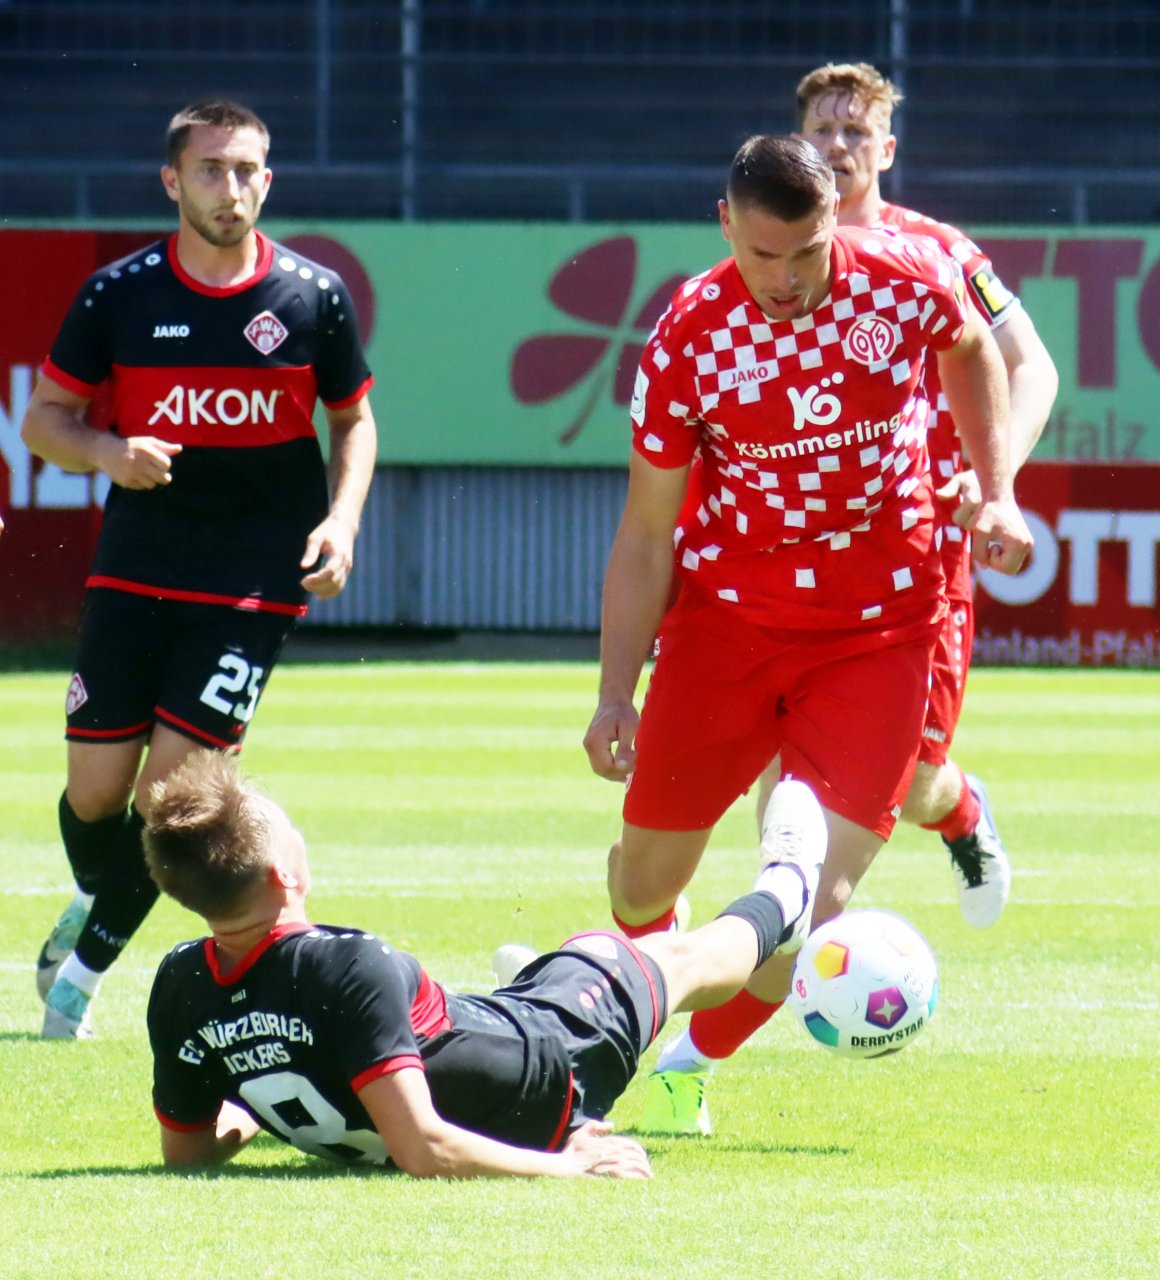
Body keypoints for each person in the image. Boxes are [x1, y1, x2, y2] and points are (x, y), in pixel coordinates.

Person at [582, 134, 1032, 1137]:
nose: (784, 281)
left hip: (880, 628)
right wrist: (615, 690)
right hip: (727, 623)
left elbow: (969, 347)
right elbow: (647, 532)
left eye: (805, 253)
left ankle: (679, 1067)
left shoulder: (906, 275)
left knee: (808, 909)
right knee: (640, 881)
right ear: (724, 227)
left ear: (837, 221)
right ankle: (651, 987)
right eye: (760, 256)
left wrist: (992, 488)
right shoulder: (686, 338)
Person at [21, 100, 377, 1040]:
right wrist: (107, 451)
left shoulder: (311, 296)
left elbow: (354, 421)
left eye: (250, 169)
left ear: (271, 177)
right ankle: (101, 903)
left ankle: (80, 982)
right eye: (213, 169)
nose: (234, 188)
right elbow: (44, 419)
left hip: (252, 584)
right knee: (97, 796)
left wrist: (340, 522)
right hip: (135, 567)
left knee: (169, 800)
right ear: (173, 181)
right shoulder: (119, 295)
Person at [142, 752, 821, 1180]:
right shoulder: (348, 966)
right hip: (555, 1059)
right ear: (283, 874)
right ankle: (788, 889)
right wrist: (565, 1166)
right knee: (674, 959)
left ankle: (532, 981)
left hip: (482, 1039)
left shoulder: (180, 984)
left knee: (548, 975)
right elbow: (425, 1150)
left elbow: (190, 1153)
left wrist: (258, 1080)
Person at [750, 63, 1058, 931]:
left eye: (856, 132)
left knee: (913, 774)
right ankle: (779, 937)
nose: (837, 145)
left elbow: (1033, 364)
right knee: (785, 771)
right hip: (797, 558)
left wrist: (993, 478)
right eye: (822, 129)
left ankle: (959, 812)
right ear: (795, 145)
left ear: (886, 149)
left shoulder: (941, 253)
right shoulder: (767, 257)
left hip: (917, 551)